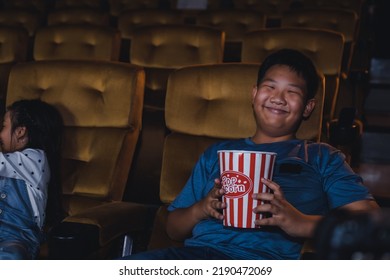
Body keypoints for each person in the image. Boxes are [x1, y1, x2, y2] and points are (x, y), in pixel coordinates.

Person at [123, 48, 379, 260]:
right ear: (255, 94)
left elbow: (370, 222)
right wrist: (201, 209)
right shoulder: (217, 153)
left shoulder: (322, 157)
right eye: (270, 87)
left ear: (307, 108)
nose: (278, 98)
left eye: (292, 92)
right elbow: (173, 228)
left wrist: (300, 222)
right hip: (197, 257)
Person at [0, 99, 63, 260]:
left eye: (4, 127)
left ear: (20, 132)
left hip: (17, 238)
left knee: (11, 256)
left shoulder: (36, 160)